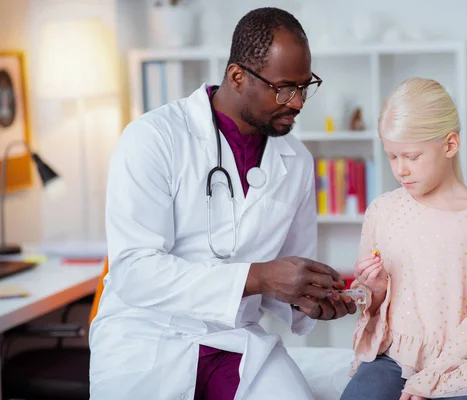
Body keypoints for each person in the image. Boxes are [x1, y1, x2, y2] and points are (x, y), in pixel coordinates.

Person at [89, 7, 356, 400]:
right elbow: (135, 272)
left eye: (305, 86)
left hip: (238, 339)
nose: (298, 102)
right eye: (284, 88)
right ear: (237, 76)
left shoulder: (296, 162)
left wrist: (311, 300)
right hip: (148, 338)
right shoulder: (153, 139)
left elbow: (287, 276)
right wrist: (259, 276)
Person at [340, 78, 467, 400]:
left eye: (412, 156)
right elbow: (375, 308)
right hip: (393, 357)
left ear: (449, 145)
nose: (401, 170)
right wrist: (375, 292)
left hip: (459, 364)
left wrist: (427, 383)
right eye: (392, 157)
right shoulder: (382, 211)